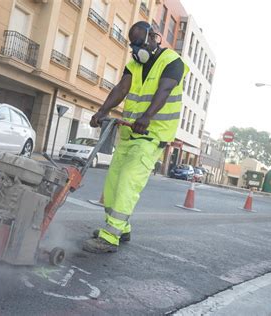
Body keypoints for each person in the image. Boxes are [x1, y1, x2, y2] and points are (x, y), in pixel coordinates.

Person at [83, 21, 189, 253]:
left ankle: (110, 236)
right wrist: (102, 111)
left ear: (154, 38)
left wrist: (147, 116)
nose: (136, 49)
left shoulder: (172, 61)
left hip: (152, 134)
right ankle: (122, 227)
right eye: (133, 44)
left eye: (140, 43)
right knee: (112, 184)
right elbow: (121, 88)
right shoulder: (134, 64)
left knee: (129, 180)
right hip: (129, 132)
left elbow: (164, 90)